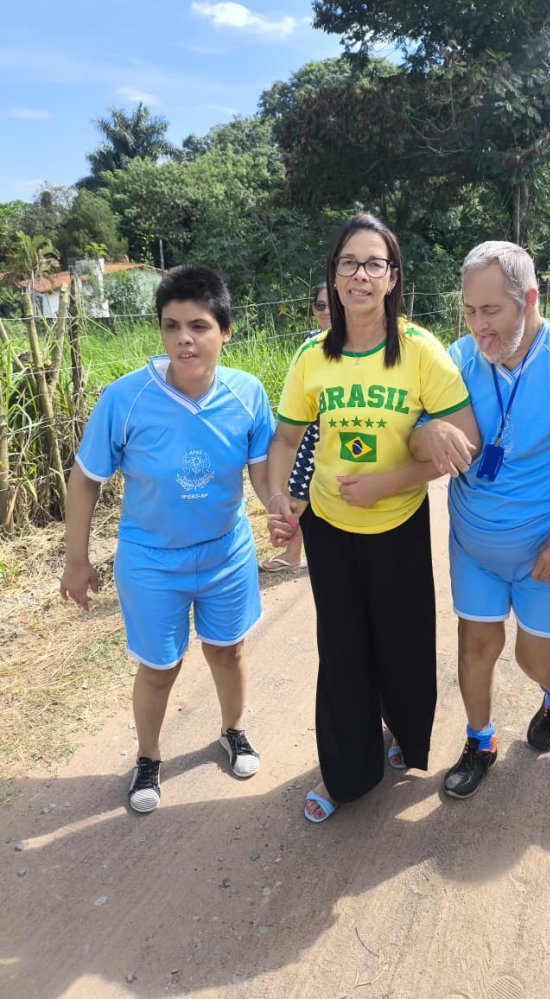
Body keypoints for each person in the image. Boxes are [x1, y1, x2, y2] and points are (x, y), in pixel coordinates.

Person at [266, 213, 477, 823]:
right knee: (342, 651)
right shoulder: (311, 357)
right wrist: (280, 496)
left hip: (398, 526)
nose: (361, 275)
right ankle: (346, 773)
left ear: (392, 279)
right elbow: (285, 438)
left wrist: (390, 482)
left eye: (374, 264)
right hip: (330, 529)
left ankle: (404, 742)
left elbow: (466, 439)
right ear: (333, 276)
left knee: (403, 645)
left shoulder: (419, 352)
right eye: (349, 263)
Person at [410, 241, 550, 798]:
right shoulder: (457, 361)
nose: (478, 327)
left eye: (491, 311)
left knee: (535, 657)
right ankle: (479, 740)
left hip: (549, 550)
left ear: (530, 299)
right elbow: (413, 438)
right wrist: (427, 433)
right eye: (469, 310)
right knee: (476, 646)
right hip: (475, 543)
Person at [60, 267, 275, 813]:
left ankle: (231, 731)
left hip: (226, 551)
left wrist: (280, 509)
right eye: (171, 325)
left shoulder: (247, 394)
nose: (184, 338)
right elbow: (85, 478)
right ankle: (149, 759)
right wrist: (76, 559)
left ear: (225, 331)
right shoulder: (126, 398)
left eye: (199, 325)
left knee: (228, 650)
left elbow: (260, 470)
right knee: (160, 666)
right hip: (150, 560)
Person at [259, 282, 330, 572]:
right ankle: (292, 552)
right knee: (296, 493)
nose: (326, 311)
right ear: (313, 310)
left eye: (331, 304)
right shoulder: (310, 343)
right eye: (320, 305)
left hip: (334, 436)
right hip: (307, 433)